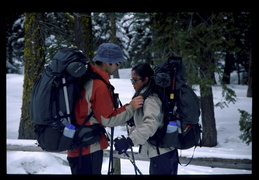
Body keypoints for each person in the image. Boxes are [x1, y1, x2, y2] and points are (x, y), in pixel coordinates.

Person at [67, 43, 144, 174]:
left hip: (78, 145)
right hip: (87, 148)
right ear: (107, 62)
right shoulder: (98, 85)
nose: (118, 67)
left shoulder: (87, 78)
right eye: (117, 63)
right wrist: (130, 107)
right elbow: (107, 119)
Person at [114, 63, 178, 175]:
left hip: (162, 155)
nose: (132, 83)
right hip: (163, 153)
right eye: (131, 80)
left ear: (146, 79)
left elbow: (151, 124)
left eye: (135, 80)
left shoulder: (151, 98)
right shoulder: (145, 95)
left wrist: (129, 141)